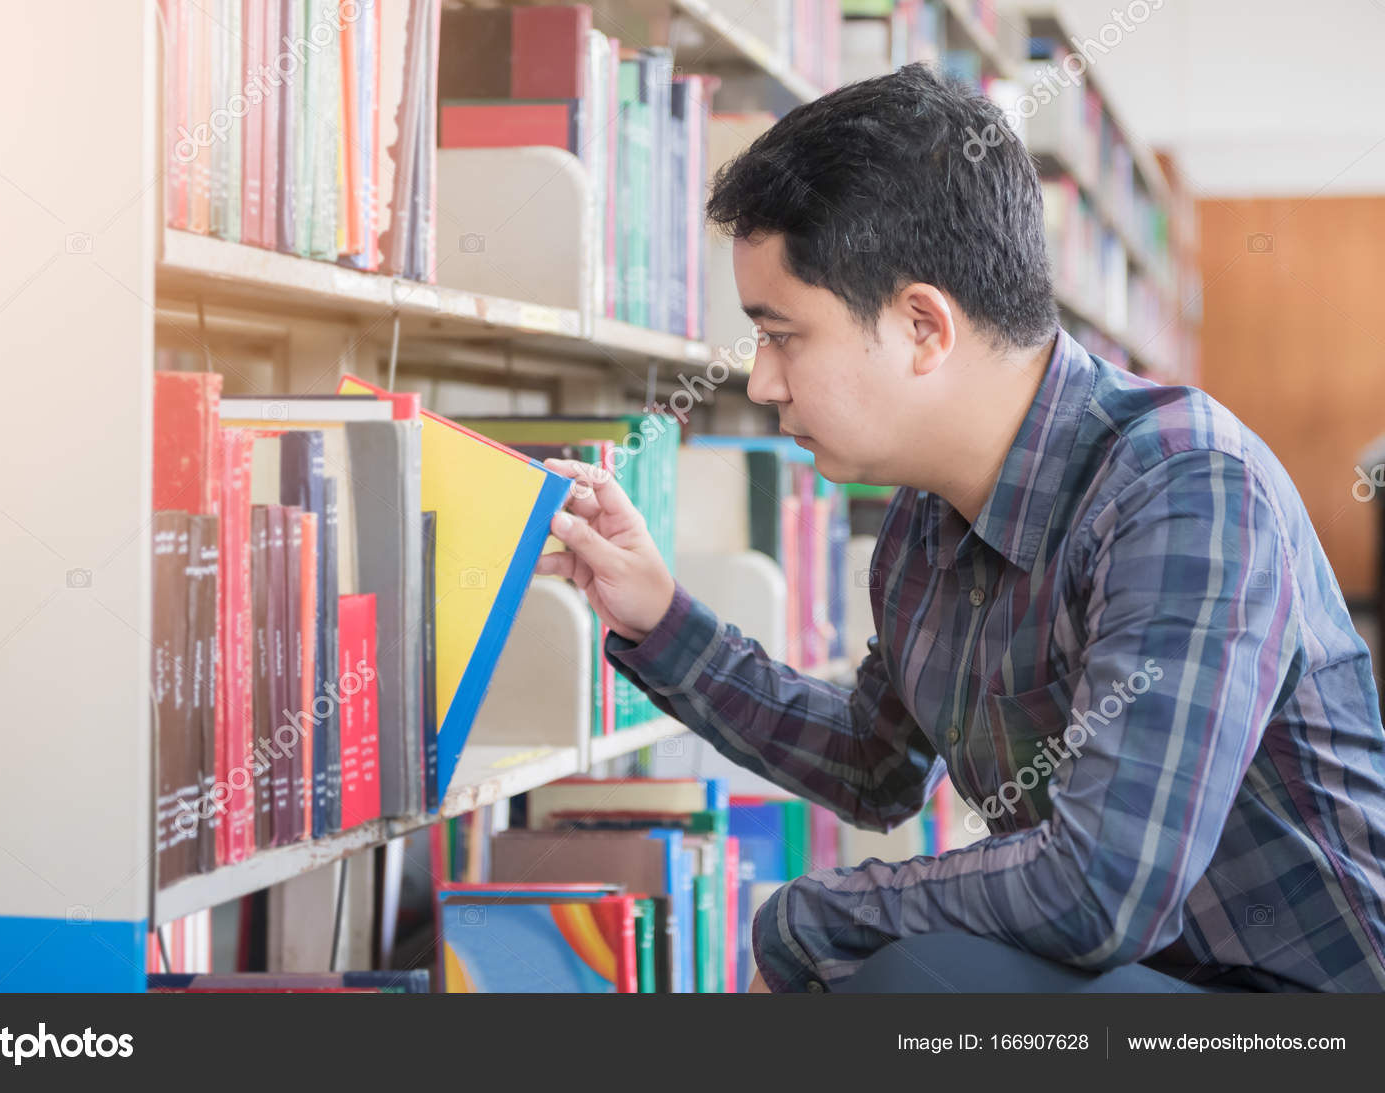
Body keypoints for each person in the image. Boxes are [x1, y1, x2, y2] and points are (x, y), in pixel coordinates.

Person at [534, 65, 1385, 993]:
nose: (764, 382)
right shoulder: (921, 522)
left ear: (923, 327)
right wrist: (657, 617)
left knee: (919, 978)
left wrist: (805, 917)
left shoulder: (1186, 486)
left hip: (1293, 996)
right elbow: (874, 767)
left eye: (781, 334)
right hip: (1127, 979)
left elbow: (1104, 887)